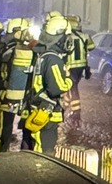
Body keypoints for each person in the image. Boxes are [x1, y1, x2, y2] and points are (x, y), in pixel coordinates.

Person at [22, 14, 73, 154]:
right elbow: (56, 89)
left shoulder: (43, 55)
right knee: (44, 153)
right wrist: (69, 79)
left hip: (37, 109)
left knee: (32, 148)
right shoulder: (53, 59)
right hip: (46, 114)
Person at [0, 18, 35, 153]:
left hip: (6, 95)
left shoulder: (9, 47)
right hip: (3, 96)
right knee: (1, 129)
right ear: (17, 32)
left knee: (5, 127)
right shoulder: (10, 51)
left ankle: (1, 154)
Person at [65, 15, 95, 128]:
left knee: (71, 87)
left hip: (69, 66)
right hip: (81, 66)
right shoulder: (85, 36)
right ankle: (66, 106)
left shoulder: (67, 37)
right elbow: (92, 47)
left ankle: (75, 112)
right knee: (72, 86)